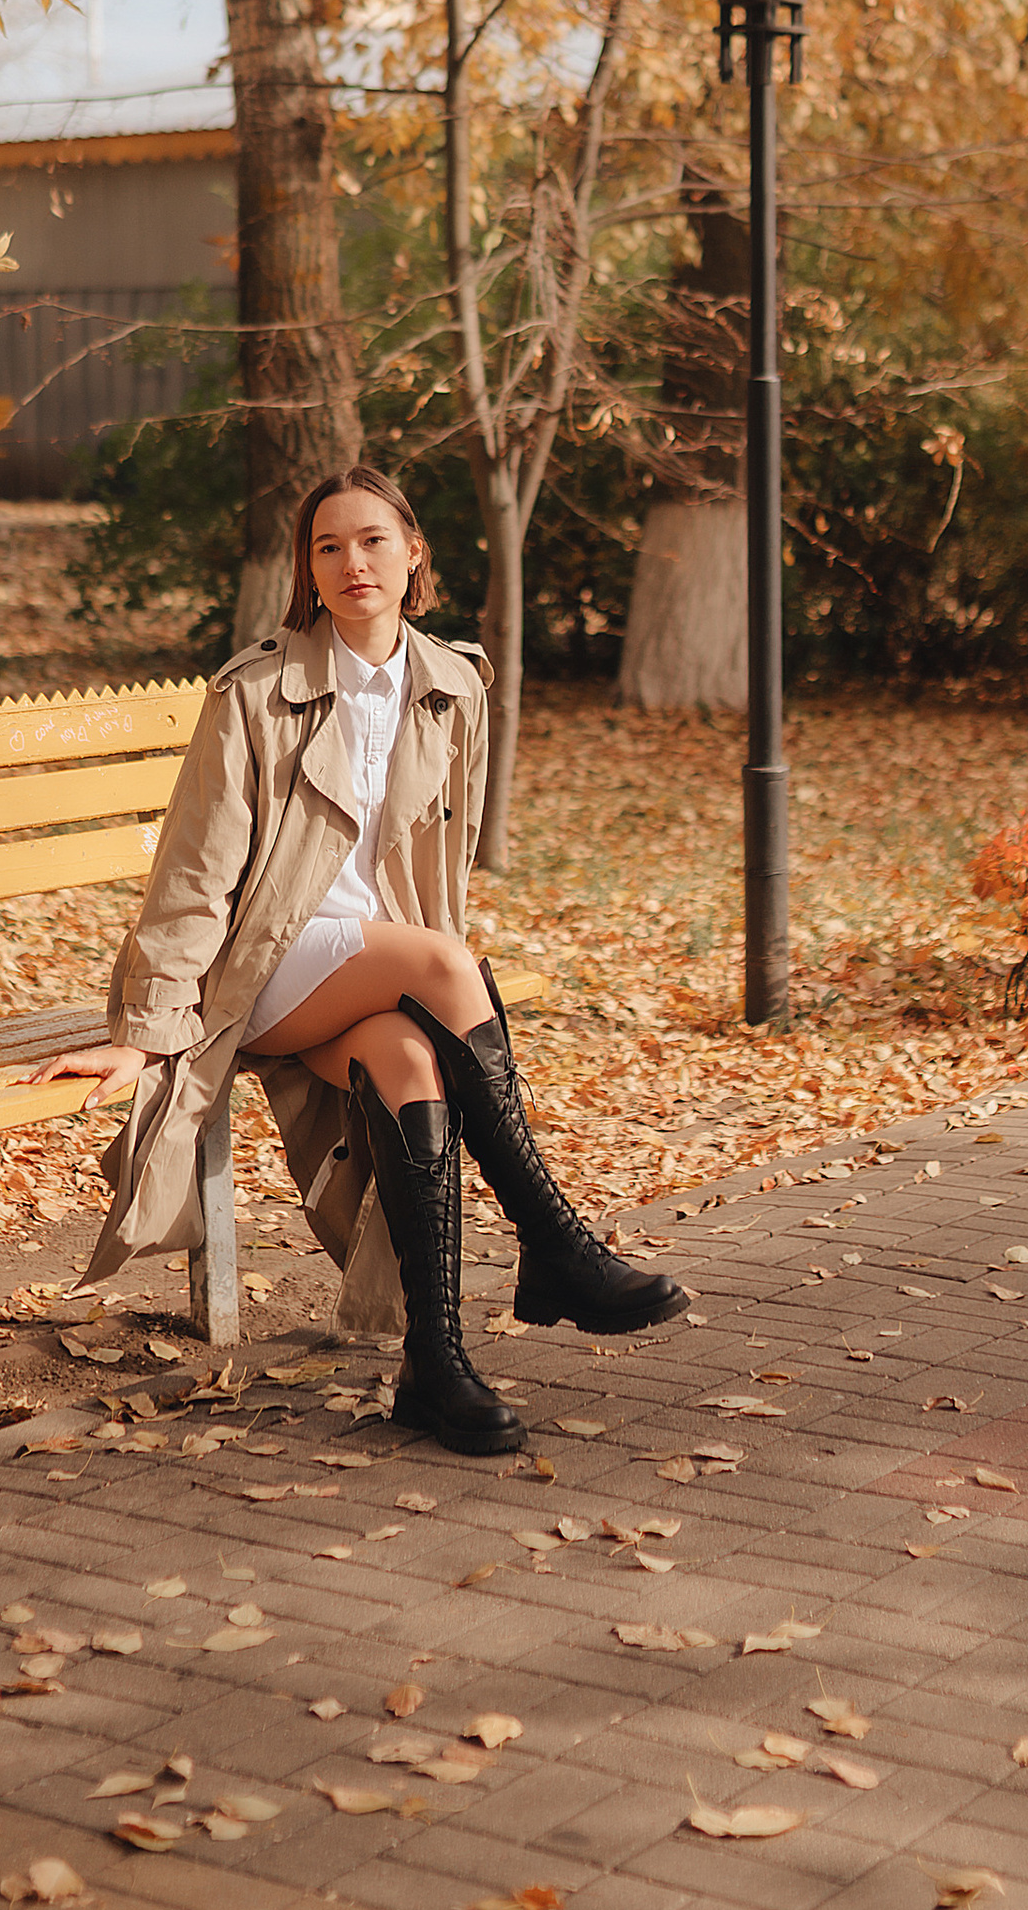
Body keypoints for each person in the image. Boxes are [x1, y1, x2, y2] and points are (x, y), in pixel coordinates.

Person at [41, 463, 687, 1454]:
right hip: (256, 970)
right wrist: (145, 1031)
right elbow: (192, 874)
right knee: (445, 967)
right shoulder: (257, 692)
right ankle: (555, 1245)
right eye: (328, 546)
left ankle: (433, 1366)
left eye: (373, 540)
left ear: (413, 551)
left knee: (413, 1062)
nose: (352, 562)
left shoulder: (447, 683)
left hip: (365, 965)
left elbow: (429, 857)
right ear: (306, 568)